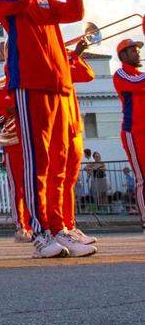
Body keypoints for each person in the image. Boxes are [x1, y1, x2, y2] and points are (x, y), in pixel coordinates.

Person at [0, 0, 93, 258]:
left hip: (59, 84)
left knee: (60, 161)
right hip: (30, 83)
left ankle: (60, 225)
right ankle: (39, 231)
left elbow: (75, 11)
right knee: (39, 163)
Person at [0, 86, 31, 241]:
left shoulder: (29, 89)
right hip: (13, 146)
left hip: (33, 142)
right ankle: (21, 226)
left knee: (36, 185)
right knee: (18, 187)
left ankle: (38, 223)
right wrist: (5, 114)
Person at [60, 48, 98, 248]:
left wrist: (76, 56)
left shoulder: (65, 58)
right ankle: (58, 227)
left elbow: (87, 75)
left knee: (69, 182)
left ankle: (69, 224)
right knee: (57, 181)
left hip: (74, 128)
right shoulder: (52, 57)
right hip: (58, 127)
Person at [115, 38, 145, 228]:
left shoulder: (140, 74)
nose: (138, 53)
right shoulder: (121, 74)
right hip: (133, 132)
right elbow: (134, 83)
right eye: (133, 50)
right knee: (142, 178)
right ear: (123, 55)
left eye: (137, 50)